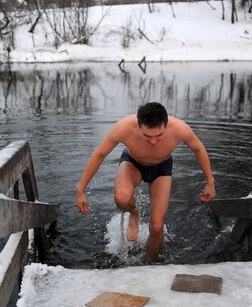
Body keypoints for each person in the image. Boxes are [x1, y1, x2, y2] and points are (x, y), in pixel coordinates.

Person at [75, 102, 216, 263]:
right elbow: (100, 154)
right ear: (139, 125)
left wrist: (210, 182)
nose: (154, 142)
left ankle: (149, 264)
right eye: (147, 136)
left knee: (156, 227)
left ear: (166, 124)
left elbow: (198, 149)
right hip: (132, 163)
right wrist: (81, 189)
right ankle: (134, 213)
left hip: (162, 169)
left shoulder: (180, 129)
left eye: (159, 136)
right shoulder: (124, 128)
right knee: (122, 198)